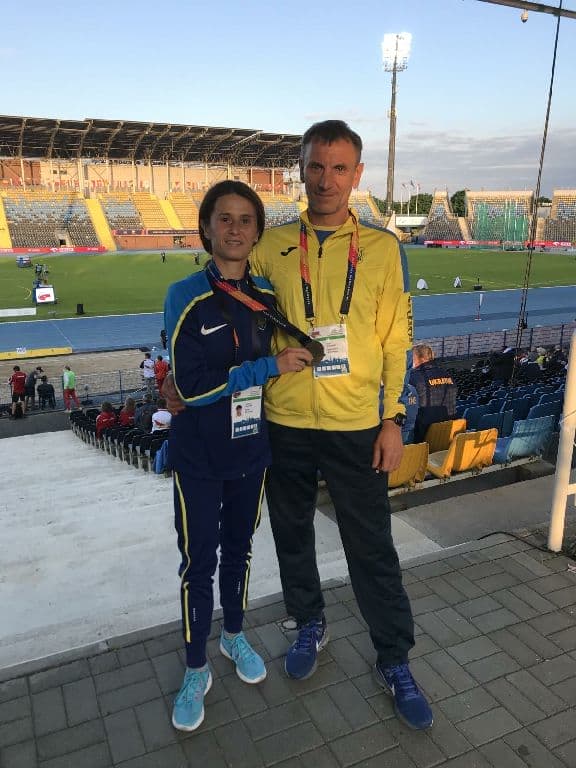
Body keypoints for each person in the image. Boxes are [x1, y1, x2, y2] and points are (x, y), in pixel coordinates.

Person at [249, 121, 433, 730]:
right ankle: (309, 623)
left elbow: (395, 340)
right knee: (291, 533)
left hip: (357, 424)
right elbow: (228, 305)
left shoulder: (382, 249)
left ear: (357, 175)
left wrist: (394, 418)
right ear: (300, 169)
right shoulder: (270, 245)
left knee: (371, 545)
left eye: (339, 168)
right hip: (286, 420)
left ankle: (394, 657)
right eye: (315, 166)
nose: (326, 179)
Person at [163, 180, 312, 733]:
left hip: (251, 451)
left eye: (246, 220)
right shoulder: (184, 295)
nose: (234, 228)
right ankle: (195, 667)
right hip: (198, 458)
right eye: (224, 218)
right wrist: (266, 368)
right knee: (198, 563)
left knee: (240, 551)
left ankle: (232, 635)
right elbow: (191, 386)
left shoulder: (267, 295)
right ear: (206, 228)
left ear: (257, 232)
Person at [409, 344, 457, 443]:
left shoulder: (413, 377)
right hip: (448, 433)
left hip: (424, 434)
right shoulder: (447, 375)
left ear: (420, 359)